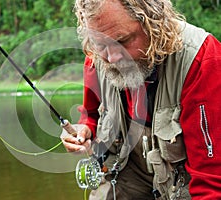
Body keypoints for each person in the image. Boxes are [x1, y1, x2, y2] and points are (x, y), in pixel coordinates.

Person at [61, 0, 221, 199]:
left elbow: (211, 181)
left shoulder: (202, 60)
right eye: (101, 44)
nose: (111, 58)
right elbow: (90, 115)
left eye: (123, 40)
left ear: (154, 23)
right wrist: (85, 129)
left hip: (180, 180)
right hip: (125, 171)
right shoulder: (97, 55)